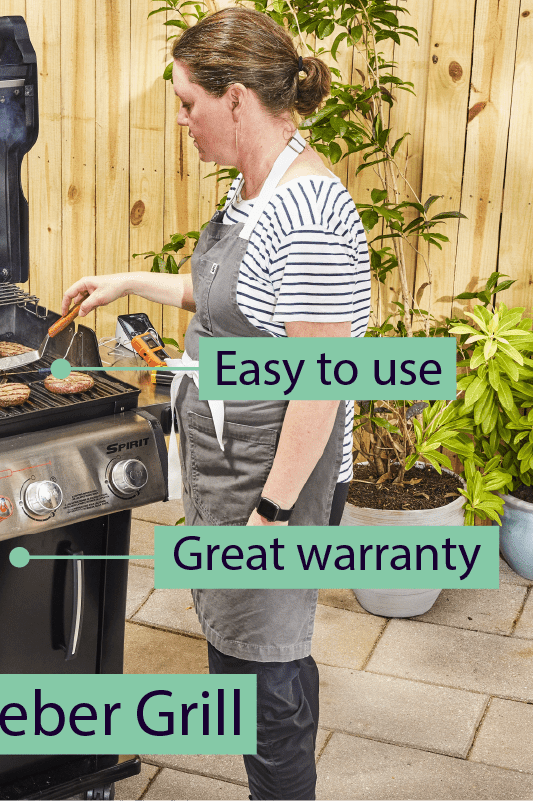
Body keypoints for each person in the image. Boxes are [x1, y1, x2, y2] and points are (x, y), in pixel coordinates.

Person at [61, 8, 369, 799]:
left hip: (274, 479)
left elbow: (322, 381)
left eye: (188, 102)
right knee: (246, 656)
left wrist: (269, 515)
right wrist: (128, 282)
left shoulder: (309, 213)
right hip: (233, 463)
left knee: (264, 675)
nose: (181, 120)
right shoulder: (255, 189)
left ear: (237, 99)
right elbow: (235, 299)